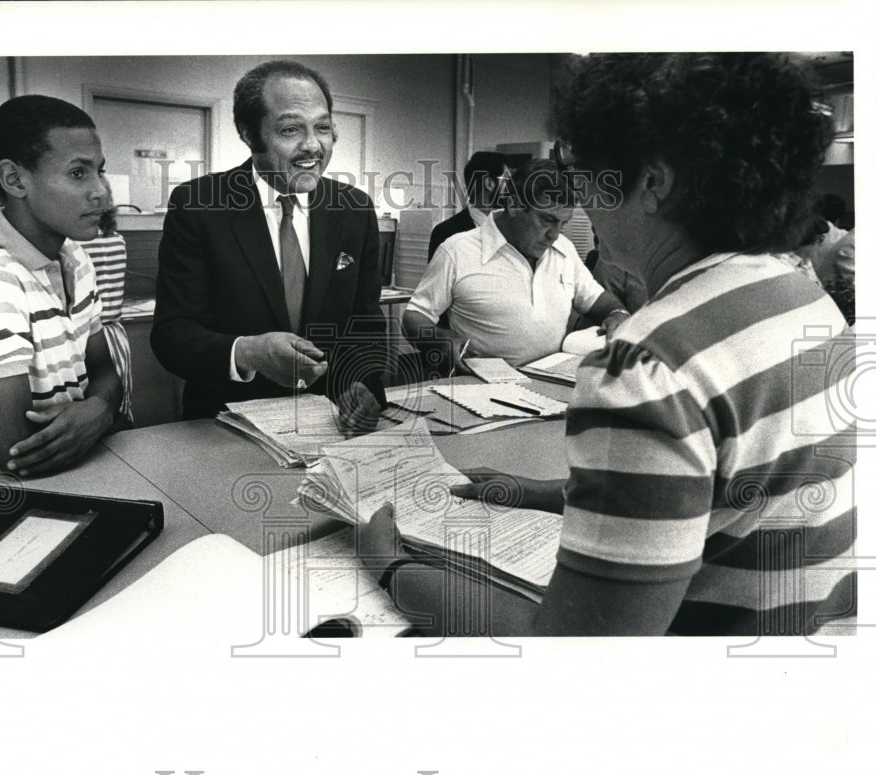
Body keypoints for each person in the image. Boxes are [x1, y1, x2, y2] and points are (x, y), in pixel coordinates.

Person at [362, 52, 856, 637]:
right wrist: (546, 492)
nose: (580, 212)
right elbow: (710, 492)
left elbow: (576, 653)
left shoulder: (646, 366)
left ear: (650, 182)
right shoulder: (804, 300)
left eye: (589, 172)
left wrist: (390, 565)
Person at [152, 60, 386, 427]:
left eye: (323, 128)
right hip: (227, 428)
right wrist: (249, 351)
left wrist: (362, 383)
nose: (313, 146)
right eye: (291, 129)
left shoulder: (354, 208)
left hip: (329, 425)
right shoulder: (198, 205)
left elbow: (367, 322)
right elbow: (172, 336)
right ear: (248, 132)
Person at [0, 95, 123, 477]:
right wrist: (105, 411)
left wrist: (98, 410)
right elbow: (18, 451)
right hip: (22, 496)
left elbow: (106, 372)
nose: (101, 191)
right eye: (78, 173)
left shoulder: (75, 257)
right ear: (15, 179)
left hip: (92, 468)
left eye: (99, 171)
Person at [402, 158, 630, 368]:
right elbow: (414, 318)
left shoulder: (564, 250)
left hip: (549, 383)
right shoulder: (457, 251)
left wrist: (618, 313)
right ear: (513, 205)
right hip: (482, 388)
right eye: (547, 220)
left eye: (563, 223)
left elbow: (598, 301)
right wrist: (441, 338)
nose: (554, 235)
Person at [80, 201, 134, 425]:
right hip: (118, 335)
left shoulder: (77, 247)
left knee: (92, 409)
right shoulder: (118, 241)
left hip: (92, 337)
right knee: (122, 402)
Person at [427, 151, 509, 262]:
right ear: (489, 184)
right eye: (507, 181)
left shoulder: (512, 229)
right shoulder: (445, 233)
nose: (511, 188)